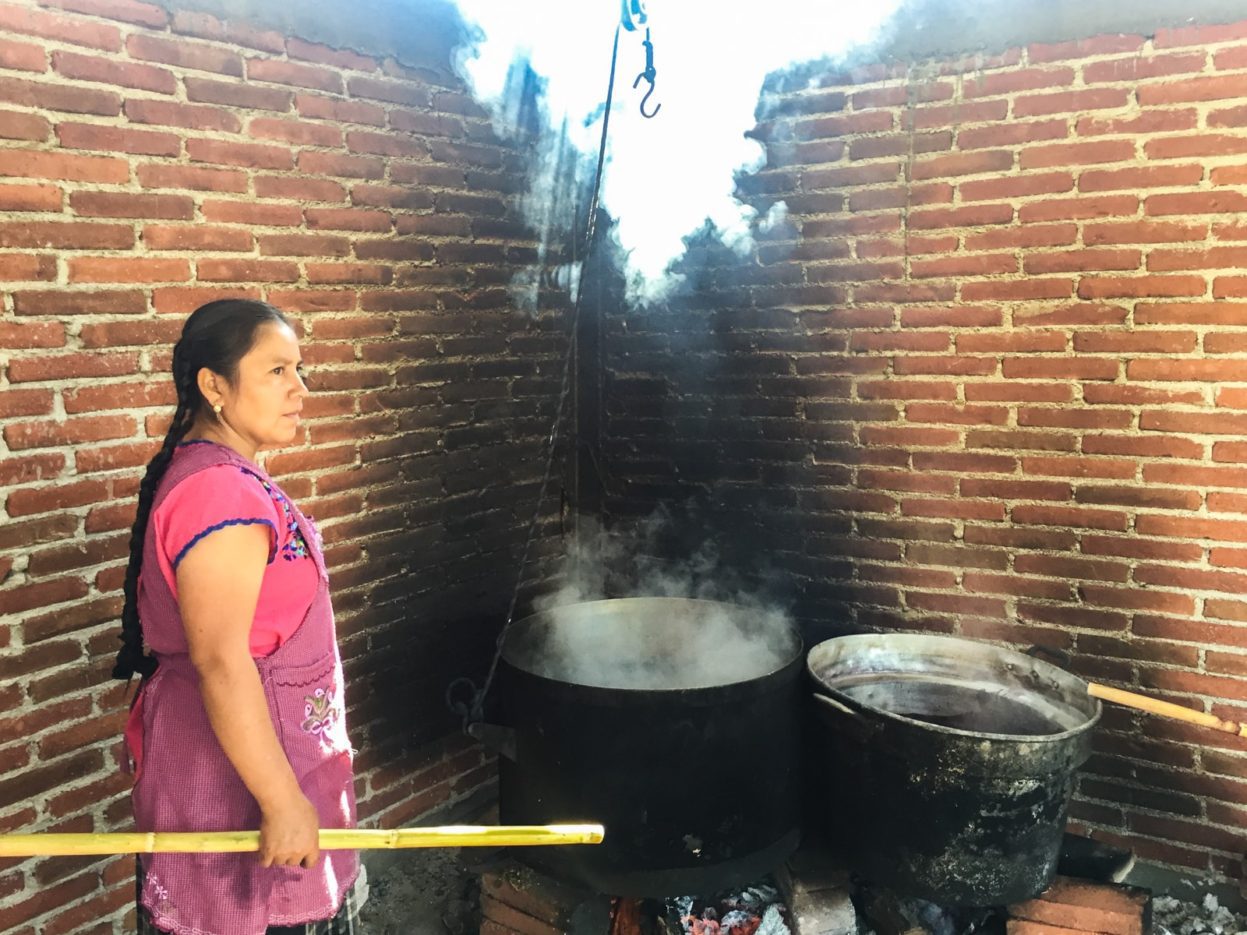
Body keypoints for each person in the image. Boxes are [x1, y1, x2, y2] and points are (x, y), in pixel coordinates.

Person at [112, 299, 361, 935]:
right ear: (214, 385)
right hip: (231, 788)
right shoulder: (220, 492)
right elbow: (221, 661)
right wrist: (281, 802)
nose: (300, 390)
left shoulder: (231, 477)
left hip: (268, 761)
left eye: (300, 370)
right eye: (277, 371)